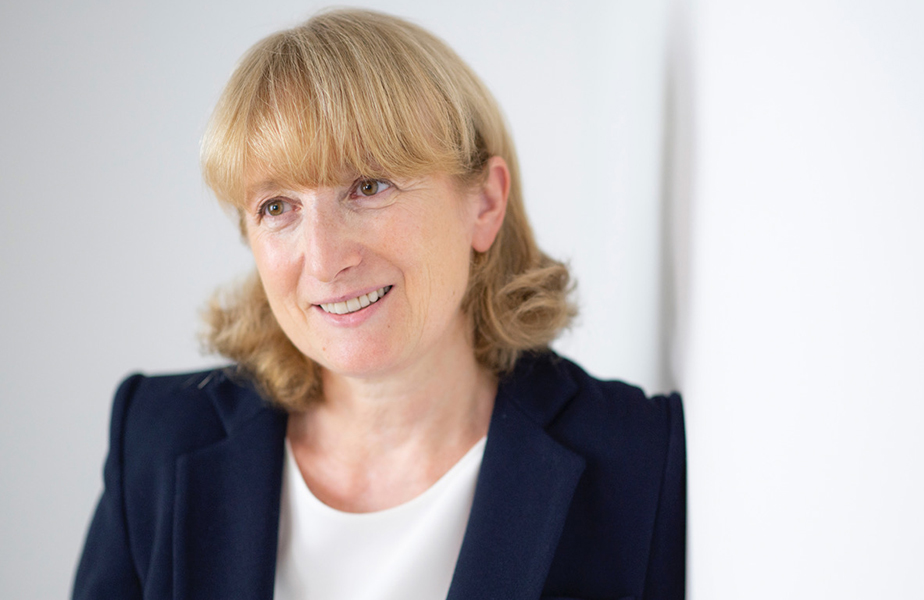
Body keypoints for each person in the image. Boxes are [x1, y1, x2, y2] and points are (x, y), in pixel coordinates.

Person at [73, 8, 685, 600]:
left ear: (485, 204)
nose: (323, 258)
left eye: (369, 186)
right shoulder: (155, 441)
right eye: (277, 207)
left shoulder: (636, 459)